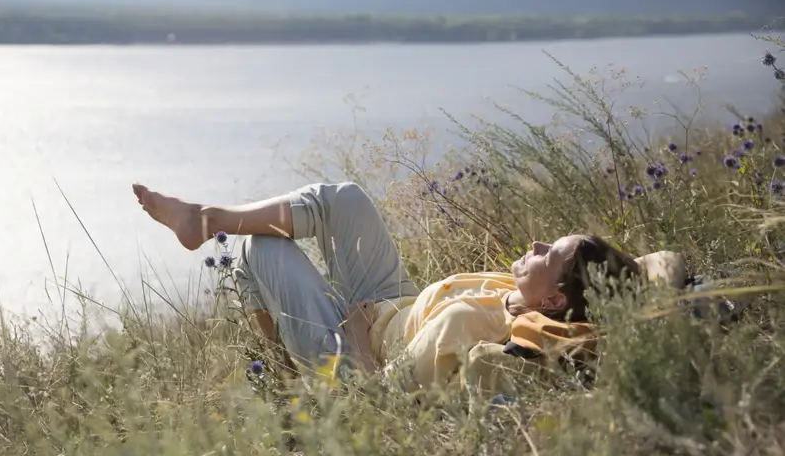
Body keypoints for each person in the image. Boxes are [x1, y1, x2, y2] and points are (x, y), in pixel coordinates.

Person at [132, 181, 640, 394]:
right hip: (397, 301)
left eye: (546, 253)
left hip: (355, 349)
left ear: (553, 299)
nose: (533, 243)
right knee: (346, 198)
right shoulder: (516, 289)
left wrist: (354, 336)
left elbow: (380, 394)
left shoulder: (469, 328)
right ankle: (206, 218)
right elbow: (652, 269)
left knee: (260, 251)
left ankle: (293, 380)